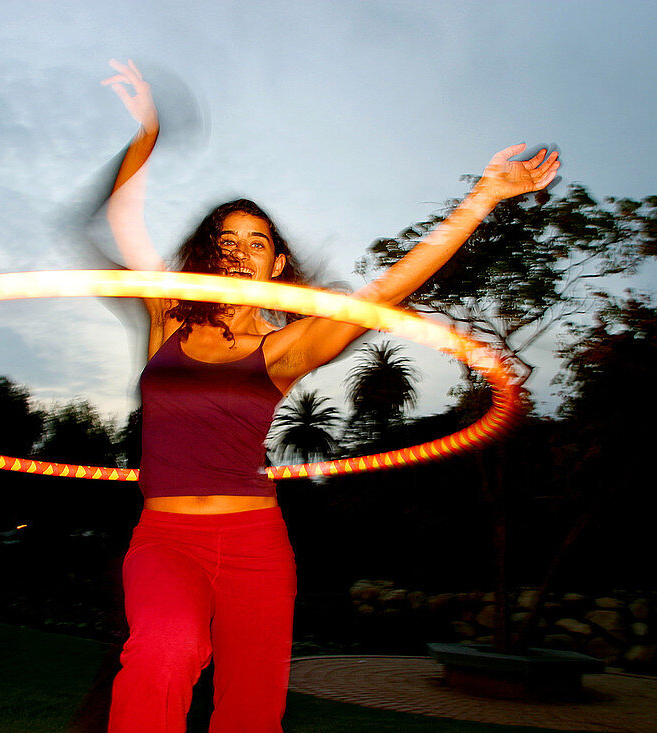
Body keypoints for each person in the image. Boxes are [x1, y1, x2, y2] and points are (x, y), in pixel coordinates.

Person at [99, 58, 559, 732]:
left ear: (275, 266)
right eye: (225, 240)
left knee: (252, 715)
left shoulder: (286, 348)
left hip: (255, 542)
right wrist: (147, 134)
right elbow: (124, 221)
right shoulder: (169, 314)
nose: (238, 251)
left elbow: (387, 290)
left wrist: (482, 198)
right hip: (166, 538)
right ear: (207, 255)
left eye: (256, 242)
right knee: (166, 648)